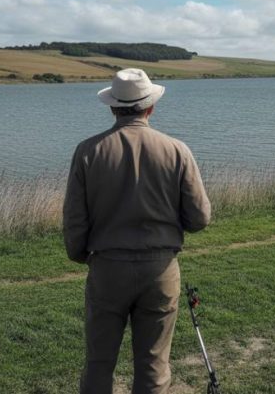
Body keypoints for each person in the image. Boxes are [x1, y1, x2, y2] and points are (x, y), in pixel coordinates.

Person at [63, 68, 211, 394]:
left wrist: (80, 254)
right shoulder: (177, 150)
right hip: (160, 269)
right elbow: (200, 217)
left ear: (113, 107)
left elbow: (75, 220)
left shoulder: (88, 151)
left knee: (99, 363)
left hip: (106, 269)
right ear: (150, 107)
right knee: (154, 365)